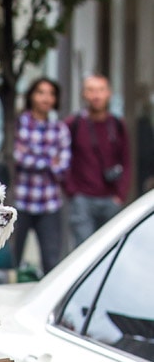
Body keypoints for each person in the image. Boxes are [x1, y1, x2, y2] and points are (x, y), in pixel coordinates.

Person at [12, 77, 72, 275]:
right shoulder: (19, 124)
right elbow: (19, 158)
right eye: (41, 92)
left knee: (51, 261)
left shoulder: (60, 129)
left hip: (49, 203)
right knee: (13, 258)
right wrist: (48, 160)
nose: (46, 98)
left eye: (51, 94)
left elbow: (62, 166)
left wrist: (33, 155)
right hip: (21, 200)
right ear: (32, 96)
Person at [64, 74, 131, 246]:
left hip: (111, 199)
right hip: (82, 200)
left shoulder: (117, 124)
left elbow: (126, 160)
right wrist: (73, 192)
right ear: (84, 94)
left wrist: (120, 194)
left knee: (112, 249)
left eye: (101, 90)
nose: (96, 95)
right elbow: (63, 159)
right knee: (84, 251)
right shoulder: (74, 123)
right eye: (91, 90)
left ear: (109, 93)